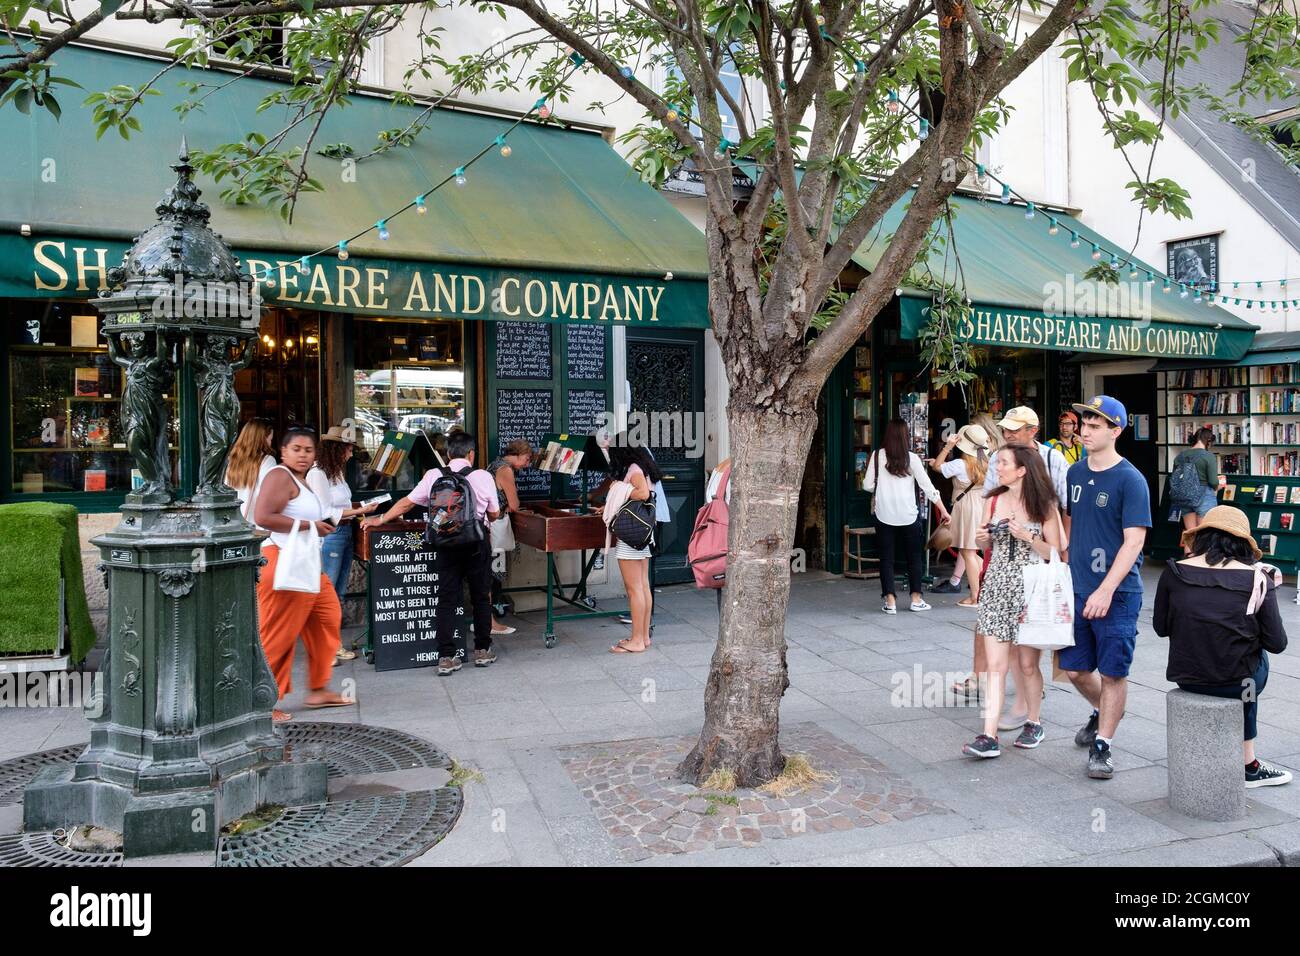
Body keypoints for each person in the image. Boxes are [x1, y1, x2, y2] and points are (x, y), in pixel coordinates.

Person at [1153, 507, 1292, 788]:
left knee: (1243, 662)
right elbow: (1277, 643)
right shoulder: (1257, 579)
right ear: (1243, 543)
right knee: (1252, 663)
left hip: (1187, 677)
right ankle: (1248, 764)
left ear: (1201, 537)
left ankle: (1243, 761)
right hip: (1236, 683)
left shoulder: (1174, 572)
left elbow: (1160, 628)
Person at [1061, 396, 1152, 780]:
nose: (1085, 429)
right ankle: (1105, 710)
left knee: (1113, 673)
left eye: (1096, 425)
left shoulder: (1131, 479)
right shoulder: (1075, 473)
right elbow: (1070, 523)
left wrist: (1106, 590)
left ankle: (1104, 746)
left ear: (1116, 430)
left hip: (1117, 593)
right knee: (1076, 670)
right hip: (1077, 586)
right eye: (1084, 422)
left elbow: (1134, 542)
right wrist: (1063, 567)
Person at [362, 431, 500, 676]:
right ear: (472, 453)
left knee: (446, 599)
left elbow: (407, 502)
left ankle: (447, 657)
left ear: (447, 454)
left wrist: (380, 518)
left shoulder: (434, 475)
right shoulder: (483, 476)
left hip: (445, 543)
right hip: (475, 543)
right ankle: (482, 650)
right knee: (481, 597)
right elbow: (494, 514)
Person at [961, 446, 1067, 758]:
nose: (998, 467)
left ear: (1022, 469)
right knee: (995, 666)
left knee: (1026, 663)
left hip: (1030, 587)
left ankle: (1034, 722)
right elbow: (983, 543)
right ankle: (988, 735)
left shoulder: (1044, 504)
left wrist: (1027, 537)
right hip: (996, 585)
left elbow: (1057, 552)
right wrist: (982, 539)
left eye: (1004, 462)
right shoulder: (992, 498)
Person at [254, 426, 353, 722]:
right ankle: (264, 702)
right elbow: (263, 516)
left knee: (328, 616)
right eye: (296, 449)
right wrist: (311, 526)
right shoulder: (279, 475)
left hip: (306, 562)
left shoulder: (303, 479)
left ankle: (318, 689)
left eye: (308, 450)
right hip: (283, 561)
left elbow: (308, 514)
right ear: (283, 452)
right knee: (278, 633)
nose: (303, 455)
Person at [981, 405, 1070, 730]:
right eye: (1005, 429)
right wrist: (984, 538)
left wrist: (1055, 554)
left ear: (1032, 430)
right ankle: (993, 729)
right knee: (1000, 659)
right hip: (1000, 576)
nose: (1008, 434)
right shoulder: (997, 468)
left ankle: (1030, 713)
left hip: (1034, 577)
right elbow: (989, 505)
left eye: (1015, 429)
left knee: (1027, 658)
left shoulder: (1053, 461)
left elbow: (1062, 514)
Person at [307, 425, 382, 662]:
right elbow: (324, 512)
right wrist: (359, 510)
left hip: (343, 532)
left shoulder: (334, 472)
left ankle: (332, 644)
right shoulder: (318, 473)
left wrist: (360, 510)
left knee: (337, 592)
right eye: (348, 449)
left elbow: (340, 506)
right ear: (336, 449)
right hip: (332, 534)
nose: (351, 454)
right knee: (328, 592)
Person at [864, 419, 950, 614]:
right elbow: (928, 488)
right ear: (906, 437)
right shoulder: (912, 459)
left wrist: (882, 487)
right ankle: (916, 599)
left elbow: (867, 485)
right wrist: (944, 510)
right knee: (914, 558)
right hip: (909, 515)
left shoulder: (877, 456)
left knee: (886, 559)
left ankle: (890, 601)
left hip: (884, 514)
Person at [599, 437, 661, 653]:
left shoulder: (633, 469)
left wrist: (621, 490)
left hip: (630, 537)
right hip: (643, 533)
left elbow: (642, 493)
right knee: (642, 586)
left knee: (634, 589)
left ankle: (635, 640)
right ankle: (643, 637)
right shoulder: (642, 465)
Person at [927, 423, 990, 607]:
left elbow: (937, 467)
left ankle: (975, 597)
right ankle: (983, 591)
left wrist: (947, 446)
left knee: (968, 551)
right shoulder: (986, 461)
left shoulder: (961, 464)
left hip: (967, 507)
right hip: (982, 505)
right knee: (971, 551)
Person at [485, 439, 535, 635]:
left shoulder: (494, 463)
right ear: (517, 453)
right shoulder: (505, 470)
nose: (527, 464)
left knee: (491, 572)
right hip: (496, 524)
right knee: (493, 572)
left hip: (489, 523)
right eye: (527, 458)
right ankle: (490, 621)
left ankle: (488, 617)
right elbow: (514, 504)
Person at [1169, 426, 1220, 549]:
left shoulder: (1179, 457)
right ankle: (1202, 565)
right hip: (1204, 495)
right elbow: (1213, 481)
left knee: (1190, 532)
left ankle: (1188, 564)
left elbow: (1175, 478)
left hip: (1185, 496)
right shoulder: (1209, 457)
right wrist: (1218, 487)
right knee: (1205, 533)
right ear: (1208, 441)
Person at [225, 417, 277, 525]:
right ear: (262, 439)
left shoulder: (231, 461)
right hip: (257, 526)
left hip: (233, 523)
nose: (271, 443)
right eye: (270, 439)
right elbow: (271, 497)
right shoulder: (267, 461)